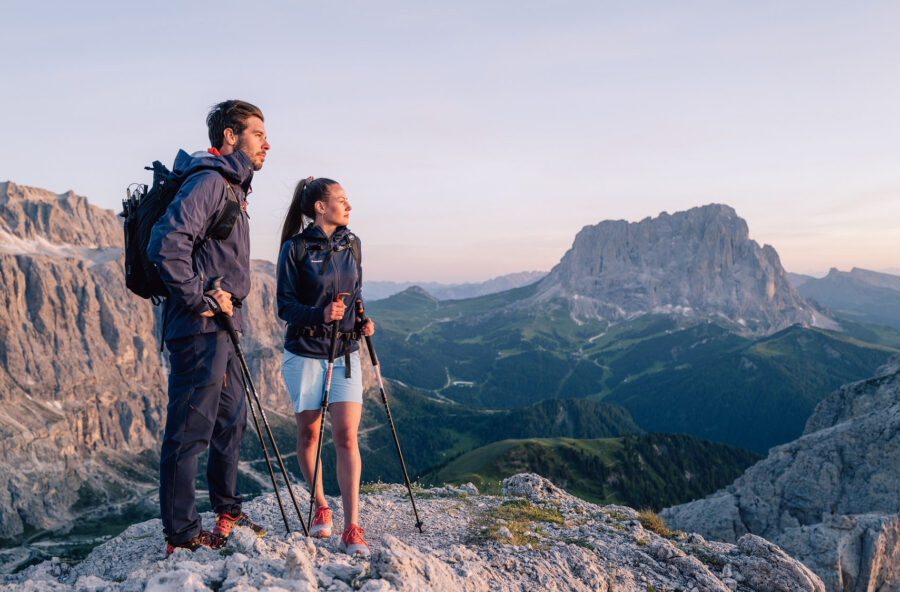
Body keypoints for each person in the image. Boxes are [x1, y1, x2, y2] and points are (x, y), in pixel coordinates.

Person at [147, 100, 270, 556]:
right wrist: (199, 299)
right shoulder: (210, 180)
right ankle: (181, 535)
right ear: (231, 137)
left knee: (229, 420)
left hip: (224, 323)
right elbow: (167, 241)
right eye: (258, 134)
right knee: (189, 429)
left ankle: (227, 509)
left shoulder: (234, 188)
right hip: (199, 326)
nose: (267, 143)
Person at [276, 177, 374, 556]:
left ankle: (352, 526)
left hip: (346, 351)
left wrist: (362, 318)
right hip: (304, 352)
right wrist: (319, 314)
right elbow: (284, 307)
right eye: (341, 200)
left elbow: (357, 293)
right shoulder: (295, 249)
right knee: (309, 436)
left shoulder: (353, 243)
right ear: (320, 207)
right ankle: (320, 505)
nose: (349, 207)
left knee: (346, 437)